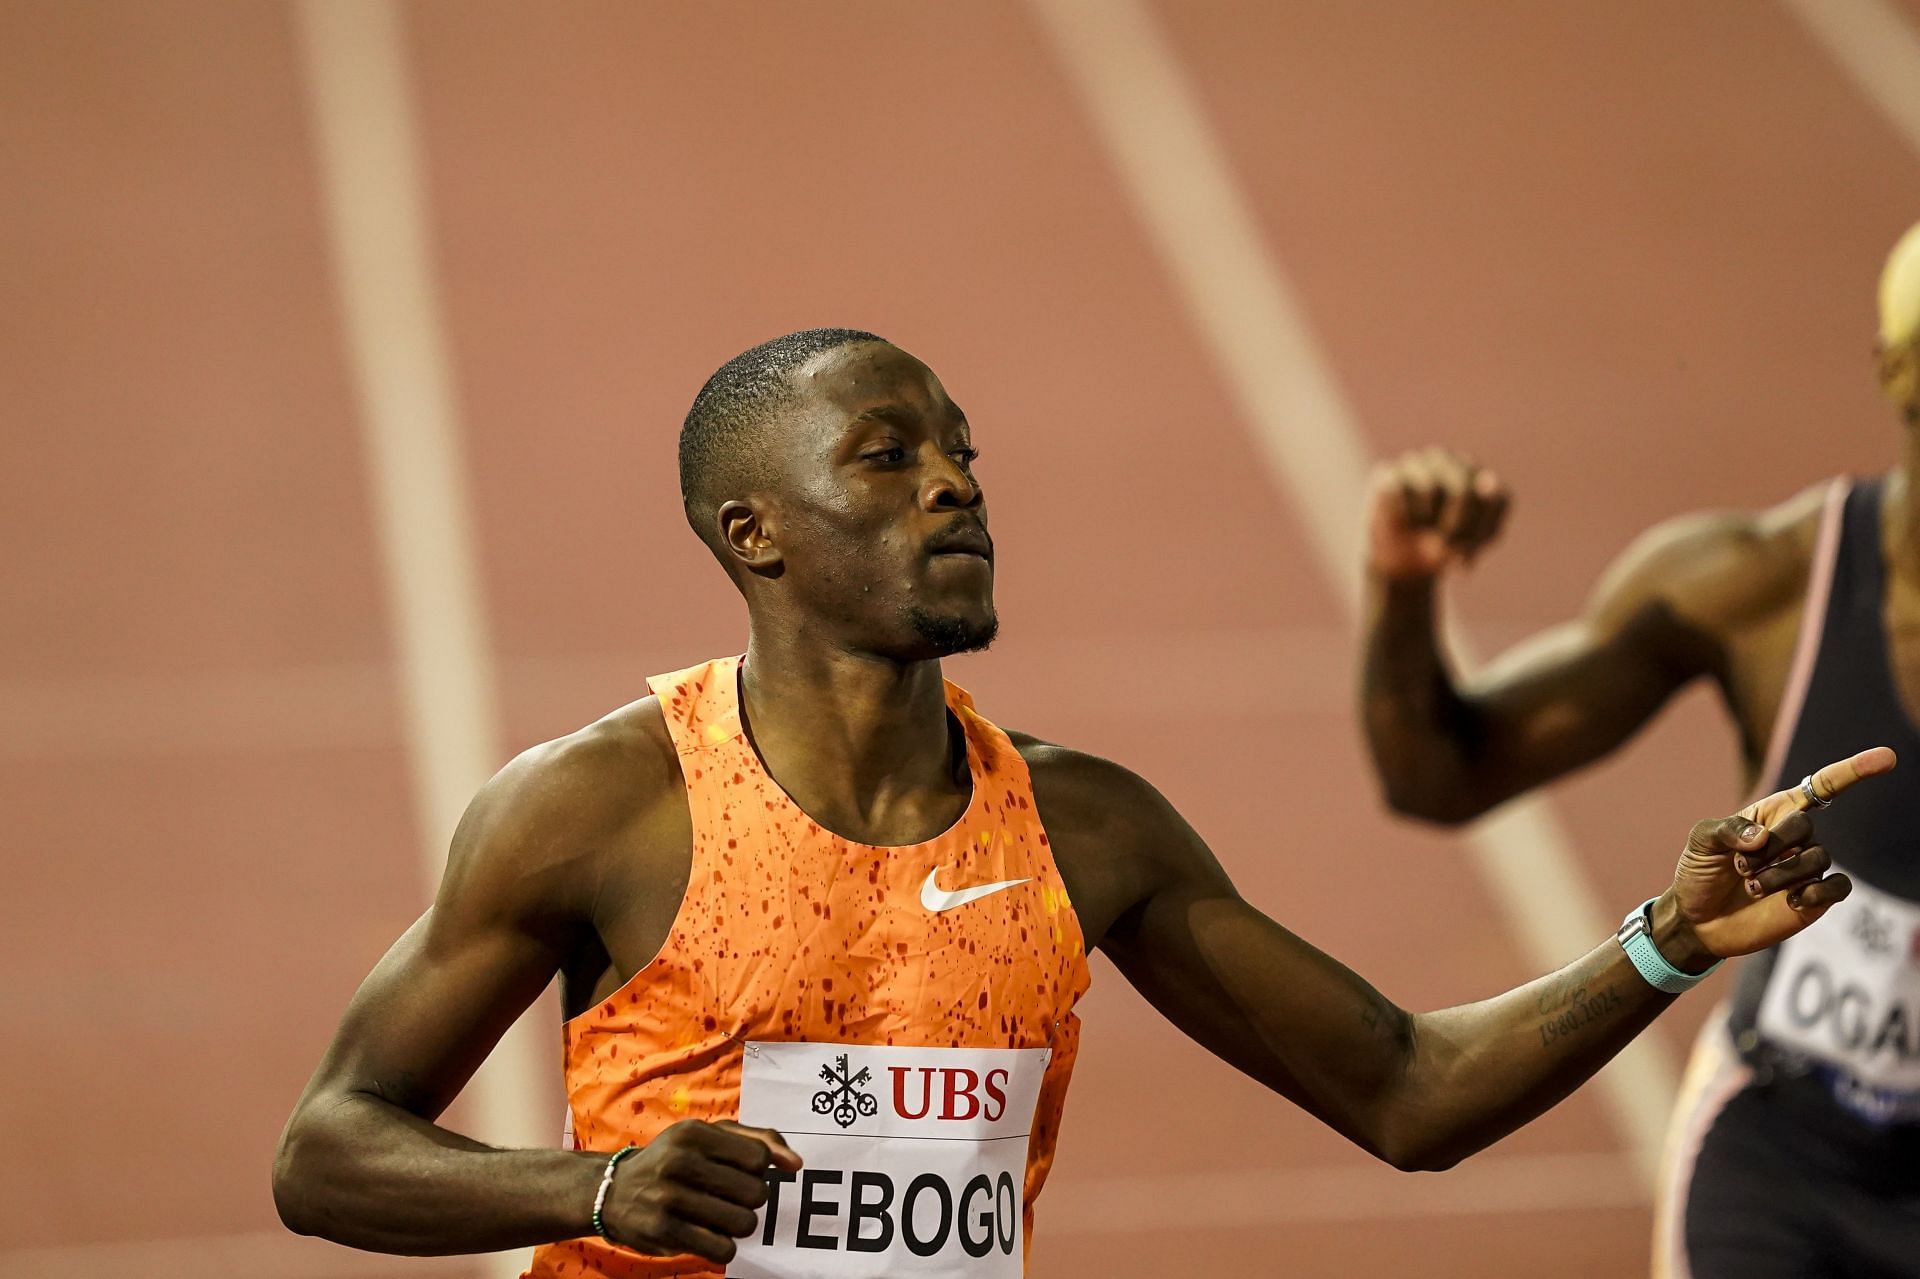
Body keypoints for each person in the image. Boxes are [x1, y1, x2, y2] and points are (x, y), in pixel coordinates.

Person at [274, 327, 1886, 1279]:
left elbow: (1406, 1088)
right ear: (754, 532)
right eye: (890, 455)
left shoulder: (1085, 825)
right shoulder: (599, 807)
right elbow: (328, 1145)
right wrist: (595, 1187)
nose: (956, 484)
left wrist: (1667, 941)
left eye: (961, 453)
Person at [1359, 221, 1920, 1277]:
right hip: (1782, 1160)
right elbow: (1439, 773)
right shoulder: (1763, 591)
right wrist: (1402, 592)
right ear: (1896, 368)